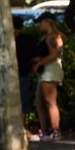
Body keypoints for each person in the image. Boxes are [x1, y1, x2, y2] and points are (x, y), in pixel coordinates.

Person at [31, 13, 65, 141]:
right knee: (39, 102)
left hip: (51, 70)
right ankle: (45, 130)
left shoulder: (54, 37)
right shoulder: (49, 37)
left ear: (48, 22)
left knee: (50, 102)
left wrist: (39, 63)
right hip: (46, 71)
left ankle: (56, 131)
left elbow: (55, 54)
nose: (39, 25)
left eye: (41, 22)